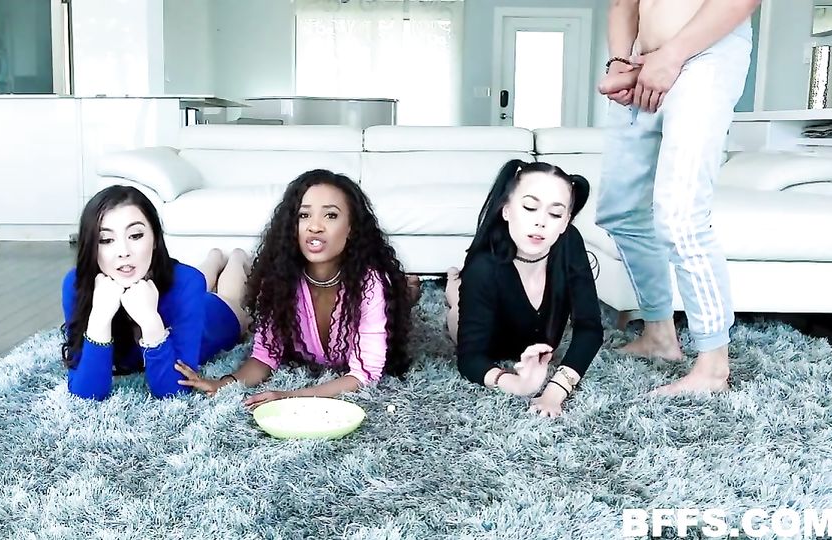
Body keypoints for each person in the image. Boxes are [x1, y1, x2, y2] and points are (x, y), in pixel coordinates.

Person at [595, 0, 760, 394]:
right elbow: (622, 3)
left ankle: (713, 367)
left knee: (680, 218)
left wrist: (672, 55)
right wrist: (619, 62)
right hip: (642, 62)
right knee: (620, 211)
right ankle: (659, 334)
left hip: (704, 54)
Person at [174, 169, 413, 408]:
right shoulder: (280, 280)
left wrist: (291, 395)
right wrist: (224, 383)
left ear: (351, 228)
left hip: (379, 293)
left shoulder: (369, 284)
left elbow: (364, 374)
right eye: (304, 215)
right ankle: (232, 257)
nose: (315, 226)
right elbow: (265, 355)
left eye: (330, 215)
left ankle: (410, 289)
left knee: (401, 295)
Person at [60, 185, 249, 400]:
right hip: (179, 288)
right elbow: (86, 393)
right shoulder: (76, 284)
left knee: (226, 296)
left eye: (135, 235)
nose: (123, 252)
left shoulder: (188, 282)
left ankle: (237, 256)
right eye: (106, 240)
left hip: (212, 318)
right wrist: (100, 318)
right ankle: (214, 257)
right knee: (192, 278)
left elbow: (173, 391)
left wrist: (150, 321)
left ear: (155, 239)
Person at [446, 160, 603, 417]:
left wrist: (555, 392)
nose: (541, 222)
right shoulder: (483, 267)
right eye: (530, 207)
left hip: (535, 338)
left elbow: (590, 329)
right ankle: (454, 285)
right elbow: (470, 358)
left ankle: (455, 283)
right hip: (492, 343)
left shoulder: (569, 242)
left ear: (566, 222)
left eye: (555, 214)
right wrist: (516, 384)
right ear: (506, 210)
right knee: (457, 307)